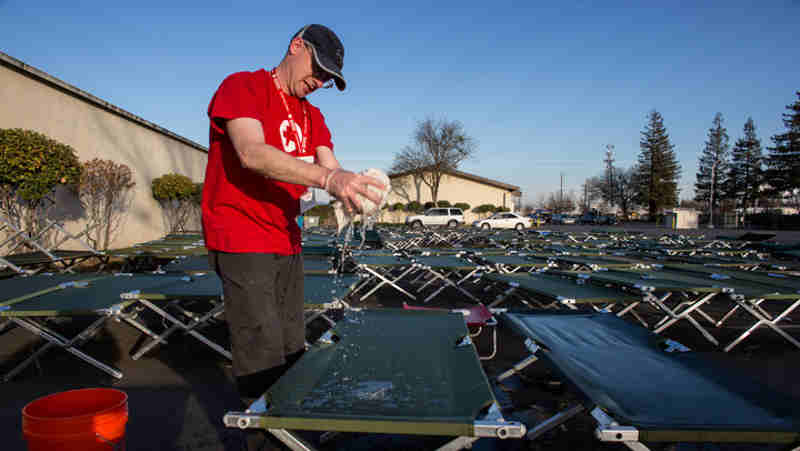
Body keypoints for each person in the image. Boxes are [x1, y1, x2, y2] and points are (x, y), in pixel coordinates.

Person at [202, 24, 385, 407]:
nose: (319, 82)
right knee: (261, 351)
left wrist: (357, 192)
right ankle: (261, 431)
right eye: (318, 70)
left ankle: (289, 426)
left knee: (291, 343)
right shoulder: (243, 86)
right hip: (241, 234)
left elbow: (331, 166)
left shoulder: (312, 116)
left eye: (328, 79)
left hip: (287, 237)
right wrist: (330, 178)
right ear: (296, 46)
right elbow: (251, 152)